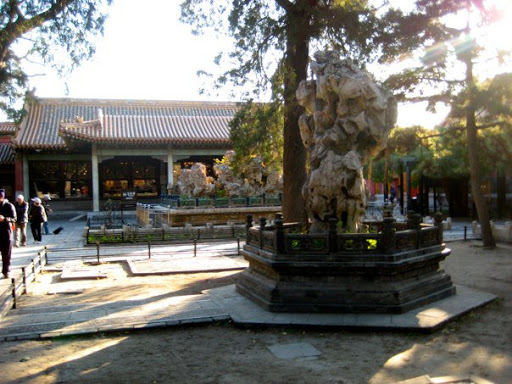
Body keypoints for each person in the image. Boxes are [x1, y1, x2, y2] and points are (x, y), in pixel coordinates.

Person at [0, 189, 16, 278]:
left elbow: (14, 218)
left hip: (6, 232)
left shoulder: (9, 206)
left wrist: (5, 219)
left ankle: (6, 270)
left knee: (6, 253)